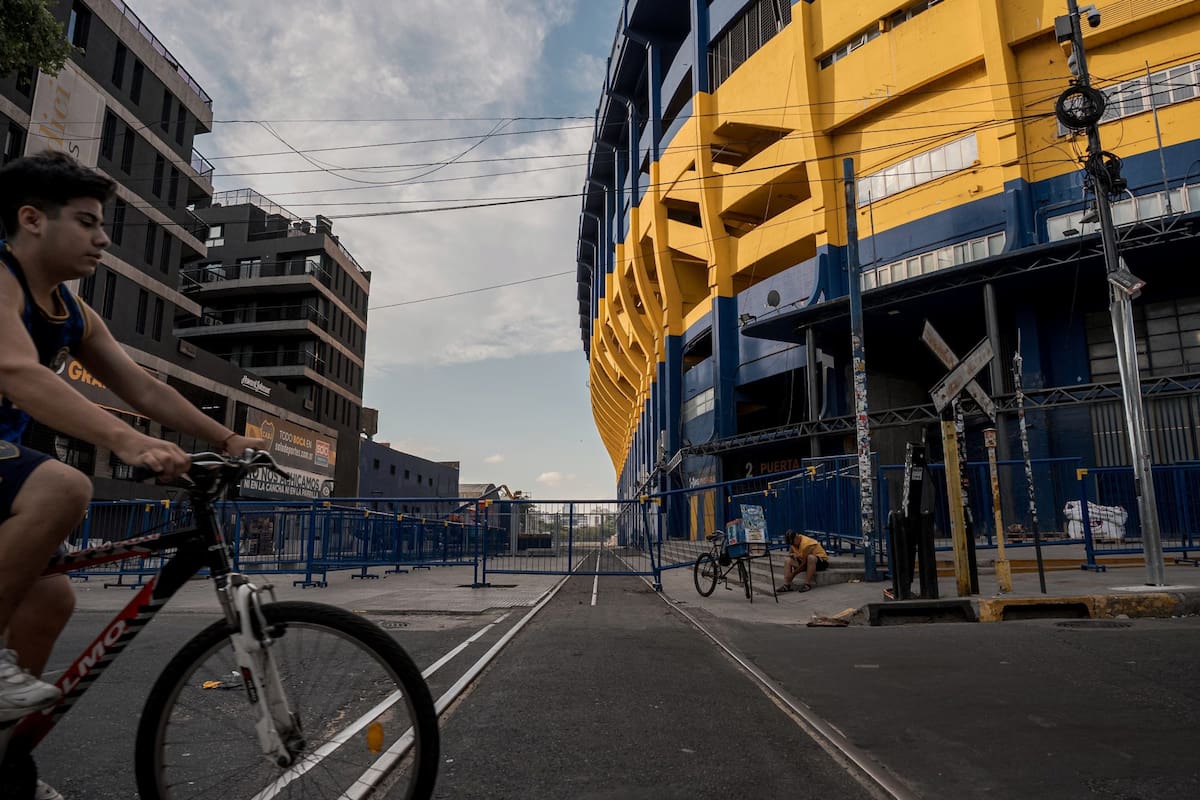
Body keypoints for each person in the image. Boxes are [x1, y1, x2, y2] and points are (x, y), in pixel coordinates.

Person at [0, 152, 262, 799]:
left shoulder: (71, 312)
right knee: (66, 485)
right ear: (32, 220)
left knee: (52, 597)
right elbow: (17, 373)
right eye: (87, 222)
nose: (103, 238)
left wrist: (227, 437)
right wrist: (125, 441)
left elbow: (142, 385)